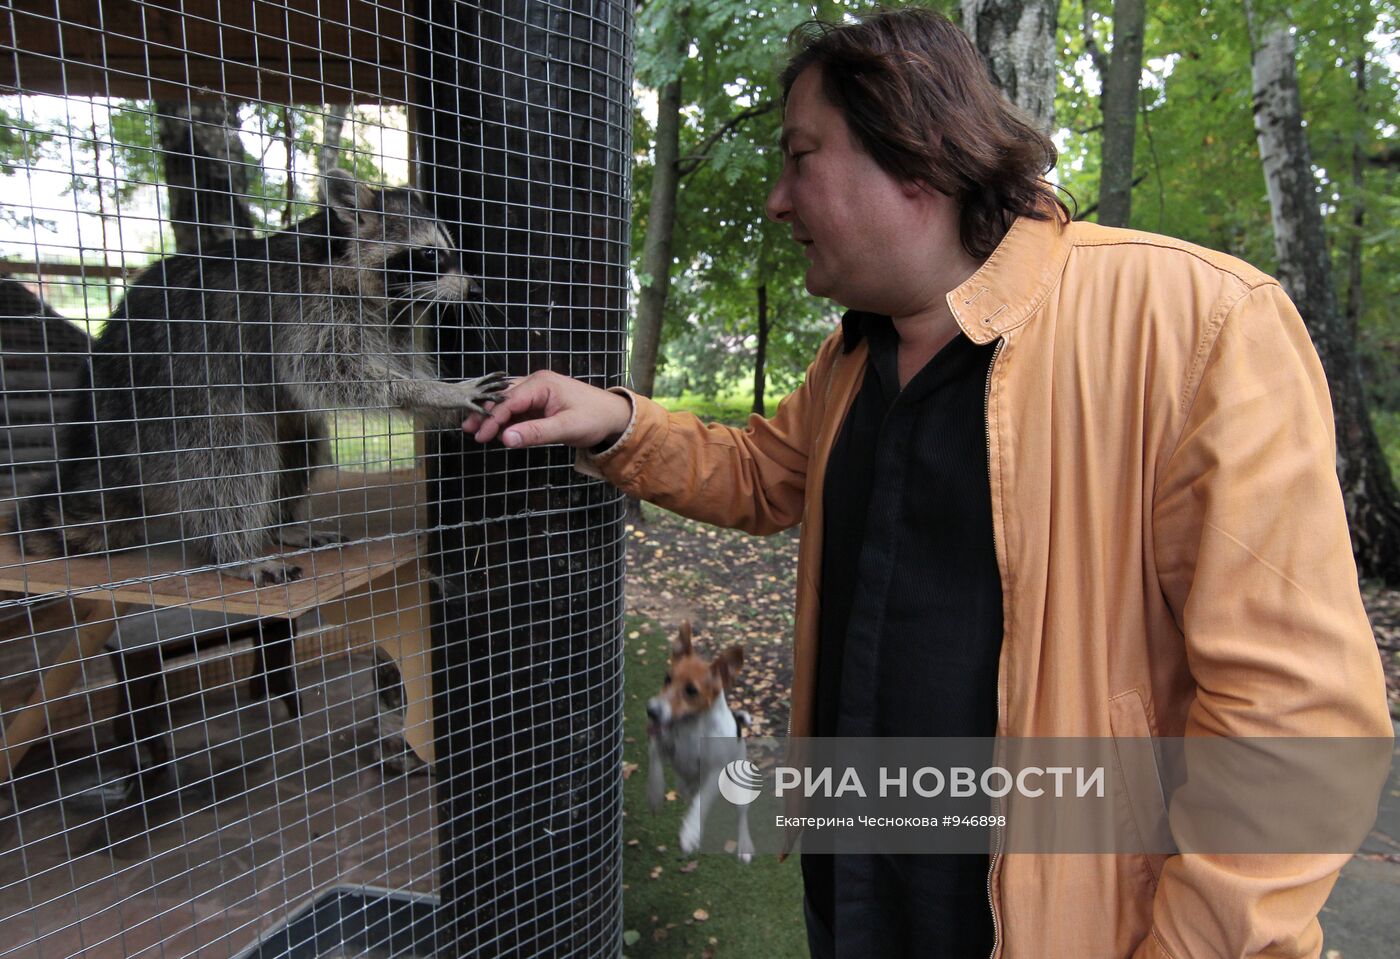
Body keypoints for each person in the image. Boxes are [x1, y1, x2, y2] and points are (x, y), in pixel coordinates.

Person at [464, 8, 1392, 958]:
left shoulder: (1196, 325)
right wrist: (619, 420)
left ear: (915, 153)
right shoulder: (853, 358)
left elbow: (1298, 721)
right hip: (855, 893)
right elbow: (763, 472)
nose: (778, 200)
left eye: (801, 156)